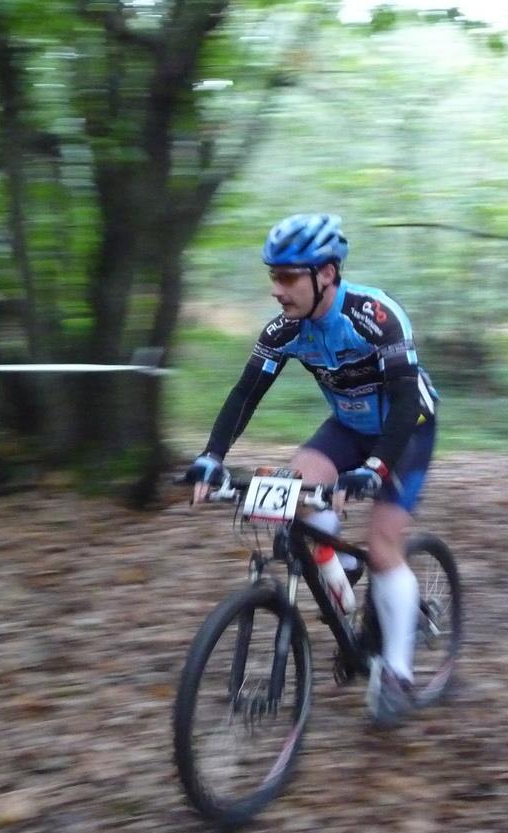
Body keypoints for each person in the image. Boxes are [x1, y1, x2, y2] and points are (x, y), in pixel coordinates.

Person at [183, 213, 439, 727]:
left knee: (383, 547)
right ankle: (340, 565)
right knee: (292, 492)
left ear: (326, 273)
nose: (275, 289)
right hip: (348, 427)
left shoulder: (375, 315)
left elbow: (405, 399)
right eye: (271, 276)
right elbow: (245, 394)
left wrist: (375, 468)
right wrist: (212, 456)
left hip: (406, 428)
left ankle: (397, 673)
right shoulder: (285, 330)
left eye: (286, 277)